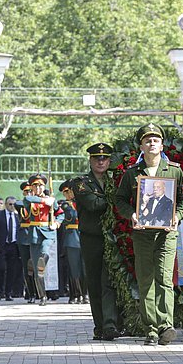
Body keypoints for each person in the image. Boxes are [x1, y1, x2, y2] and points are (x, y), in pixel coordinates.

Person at [115, 124, 183, 346]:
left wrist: (177, 215)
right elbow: (119, 200)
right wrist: (131, 214)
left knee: (165, 279)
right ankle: (151, 329)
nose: (151, 144)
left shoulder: (174, 171)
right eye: (147, 141)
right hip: (143, 234)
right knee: (146, 280)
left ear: (162, 145)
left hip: (167, 234)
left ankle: (166, 324)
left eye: (155, 140)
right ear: (141, 146)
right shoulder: (132, 174)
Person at [72, 143, 121, 340]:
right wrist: (117, 199)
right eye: (96, 158)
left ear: (109, 161)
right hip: (91, 237)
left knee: (108, 281)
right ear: (90, 161)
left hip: (112, 236)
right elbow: (92, 204)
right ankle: (99, 325)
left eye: (104, 158)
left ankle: (110, 325)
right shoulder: (81, 182)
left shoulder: (115, 182)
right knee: (94, 282)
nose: (100, 162)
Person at [24, 174, 64, 306]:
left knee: (44, 253)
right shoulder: (29, 199)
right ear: (32, 187)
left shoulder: (51, 200)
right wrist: (43, 201)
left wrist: (57, 224)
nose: (38, 188)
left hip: (48, 233)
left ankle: (43, 259)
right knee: (37, 270)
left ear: (44, 187)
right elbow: (27, 200)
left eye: (41, 185)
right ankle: (42, 296)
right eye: (35, 185)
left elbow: (60, 214)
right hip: (35, 234)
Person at [59, 181, 85, 304]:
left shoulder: (82, 202)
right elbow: (71, 215)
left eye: (71, 191)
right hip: (72, 239)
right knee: (74, 269)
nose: (70, 194)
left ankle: (85, 294)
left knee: (85, 268)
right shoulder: (65, 205)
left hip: (84, 237)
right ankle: (75, 294)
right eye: (67, 192)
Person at [0, 196, 19, 300]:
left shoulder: (17, 216)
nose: (12, 206)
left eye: (14, 204)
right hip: (2, 245)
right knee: (1, 269)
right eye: (10, 204)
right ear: (6, 205)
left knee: (12, 270)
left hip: (14, 245)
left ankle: (8, 293)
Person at [16, 182, 37, 303]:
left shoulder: (37, 203)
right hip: (24, 238)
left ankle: (39, 291)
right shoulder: (22, 204)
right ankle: (30, 293)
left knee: (36, 266)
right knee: (27, 267)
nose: (29, 194)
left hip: (35, 236)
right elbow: (18, 204)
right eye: (26, 192)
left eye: (31, 191)